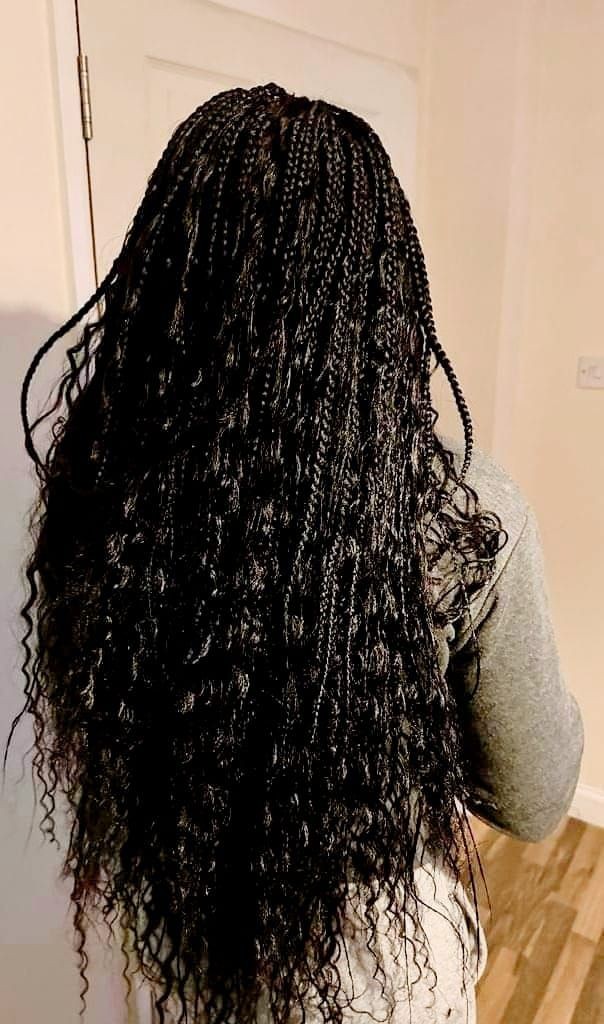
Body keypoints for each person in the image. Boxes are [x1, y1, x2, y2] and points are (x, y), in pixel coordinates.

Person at [2, 82, 583, 1024]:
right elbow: (536, 796)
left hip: (161, 939)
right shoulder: (465, 518)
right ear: (378, 290)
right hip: (370, 979)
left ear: (168, 267)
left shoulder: (100, 478)